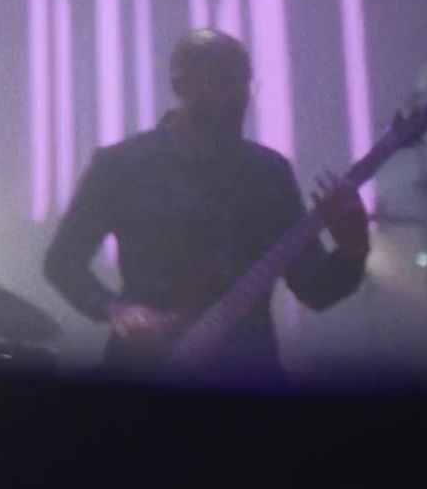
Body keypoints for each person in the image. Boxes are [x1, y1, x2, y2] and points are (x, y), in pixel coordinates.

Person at [43, 29, 369, 383]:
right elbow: (61, 261)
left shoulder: (269, 172)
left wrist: (352, 250)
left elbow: (314, 289)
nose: (237, 95)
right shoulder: (121, 165)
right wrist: (117, 310)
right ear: (180, 84)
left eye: (243, 82)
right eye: (221, 81)